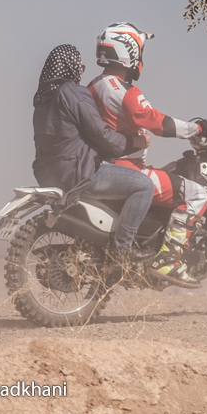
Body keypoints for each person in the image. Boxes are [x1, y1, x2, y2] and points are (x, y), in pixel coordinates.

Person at [87, 22, 207, 289]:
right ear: (129, 52)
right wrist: (199, 128)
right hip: (127, 169)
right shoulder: (123, 91)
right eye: (140, 49)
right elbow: (158, 123)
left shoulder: (95, 85)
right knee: (196, 194)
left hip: (107, 167)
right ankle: (169, 261)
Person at [31, 44, 155, 262]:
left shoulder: (42, 100)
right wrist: (134, 142)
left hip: (49, 175)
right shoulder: (73, 92)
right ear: (70, 66)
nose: (82, 71)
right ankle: (123, 250)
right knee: (144, 185)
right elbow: (103, 136)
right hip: (79, 173)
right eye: (80, 66)